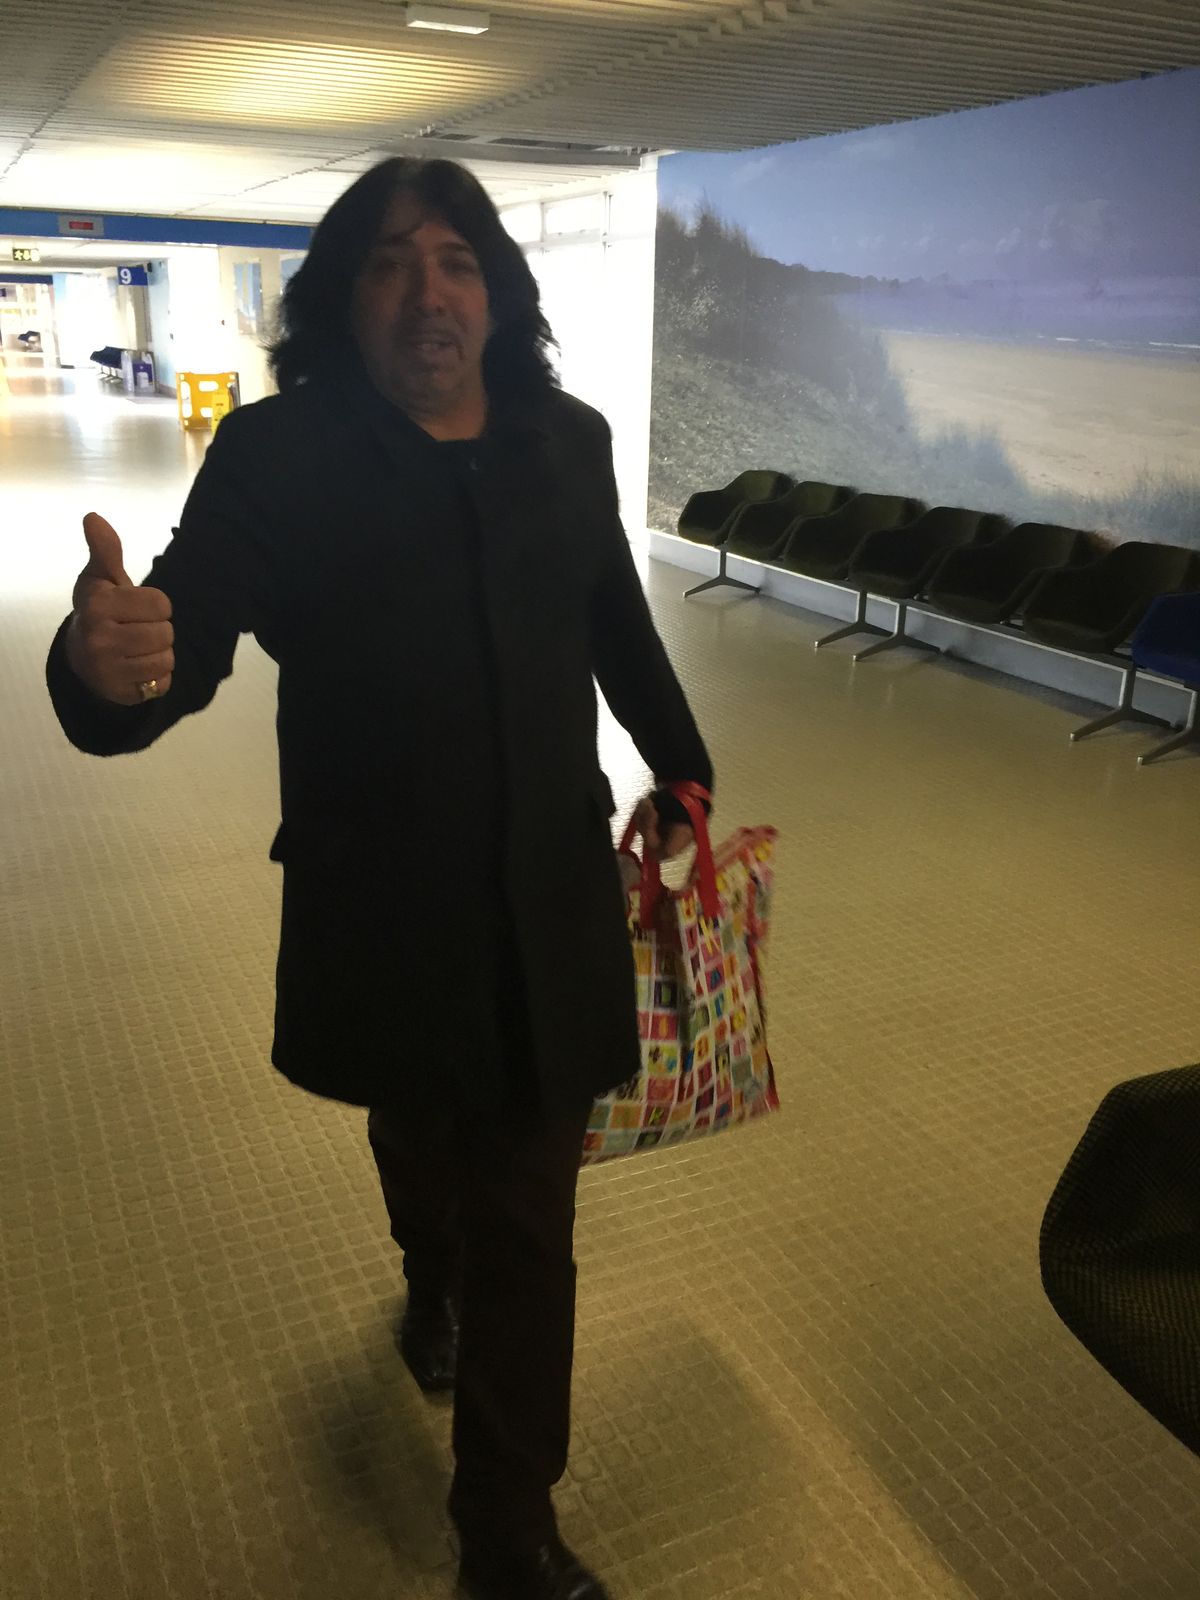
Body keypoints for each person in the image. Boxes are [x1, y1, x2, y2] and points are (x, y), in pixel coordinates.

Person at [45, 157, 713, 1600]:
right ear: (343, 304)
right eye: (392, 265)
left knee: (531, 1208)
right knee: (419, 1130)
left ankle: (507, 1533)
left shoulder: (567, 440)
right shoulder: (281, 456)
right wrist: (109, 668)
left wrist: (685, 763)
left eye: (457, 261)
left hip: (548, 895)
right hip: (387, 898)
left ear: (499, 295)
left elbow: (611, 610)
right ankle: (427, 1273)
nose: (428, 294)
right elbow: (184, 634)